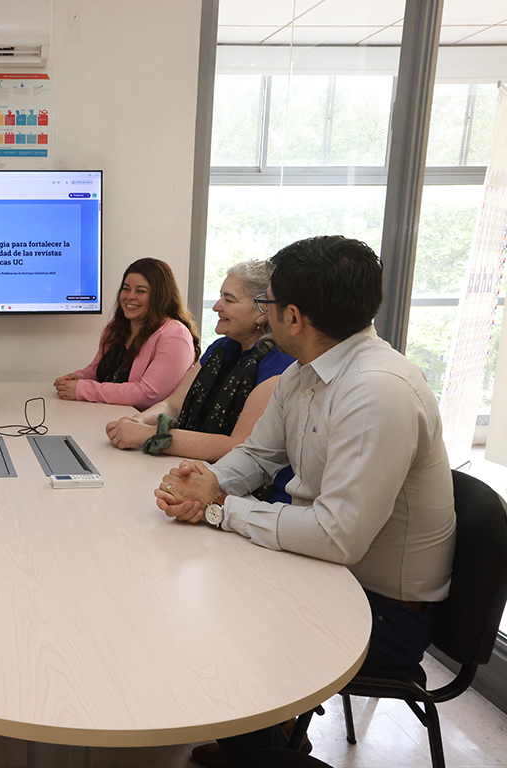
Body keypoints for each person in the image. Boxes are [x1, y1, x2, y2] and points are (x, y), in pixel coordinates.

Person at [155, 236, 456, 768]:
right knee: (194, 590)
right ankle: (255, 741)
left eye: (266, 303)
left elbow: (336, 536)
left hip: (379, 611)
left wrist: (221, 507)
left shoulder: (377, 391)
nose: (262, 313)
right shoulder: (305, 370)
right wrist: (202, 483)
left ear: (292, 316)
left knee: (222, 623)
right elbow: (257, 455)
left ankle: (263, 750)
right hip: (328, 573)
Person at [105, 260, 295, 475]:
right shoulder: (220, 348)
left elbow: (238, 445)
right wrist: (136, 421)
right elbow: (173, 405)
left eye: (229, 300)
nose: (216, 306)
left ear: (263, 310)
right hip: (193, 468)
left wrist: (148, 435)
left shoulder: (278, 364)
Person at [54, 258, 200, 409]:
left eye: (141, 291)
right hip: (107, 415)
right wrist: (78, 378)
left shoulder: (175, 335)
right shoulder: (115, 328)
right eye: (126, 288)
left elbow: (147, 395)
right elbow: (98, 370)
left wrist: (82, 389)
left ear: (160, 296)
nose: (130, 296)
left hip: (145, 426)